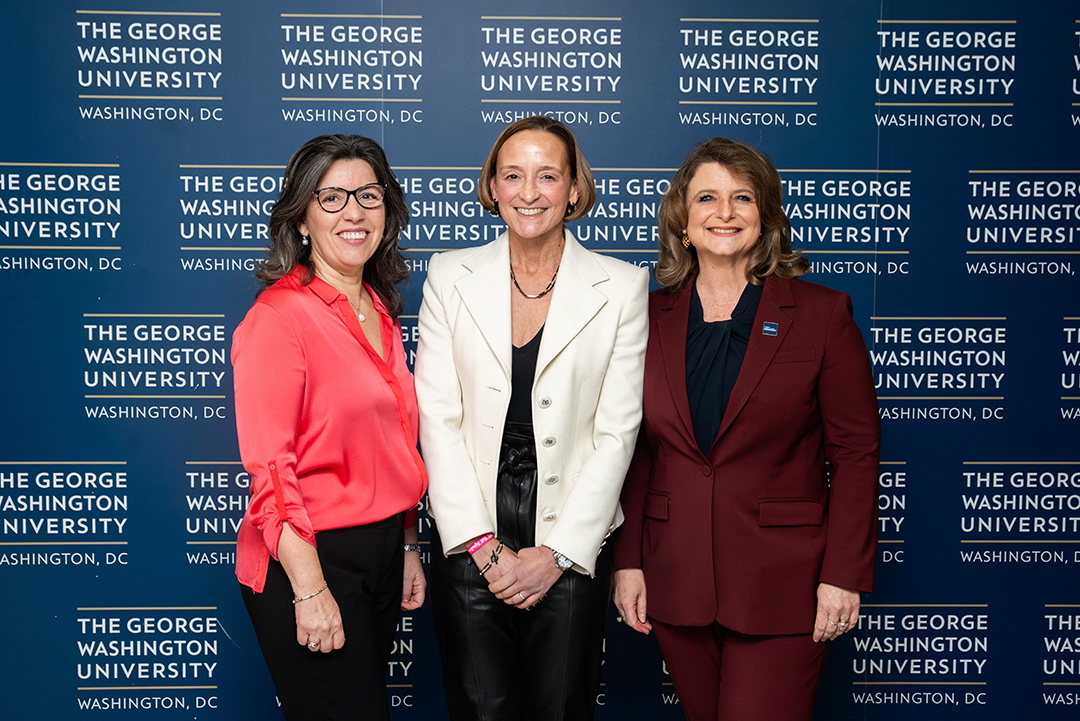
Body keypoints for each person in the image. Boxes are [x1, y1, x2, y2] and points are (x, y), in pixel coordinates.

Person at [613, 137, 880, 721]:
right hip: (676, 575)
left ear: (766, 217)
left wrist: (843, 576)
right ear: (683, 218)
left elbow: (856, 452)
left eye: (743, 198)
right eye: (707, 198)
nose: (724, 212)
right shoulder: (647, 318)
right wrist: (628, 561)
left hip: (785, 582)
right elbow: (635, 451)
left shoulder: (821, 314)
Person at [414, 115, 649, 720]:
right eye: (513, 175)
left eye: (548, 176)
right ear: (492, 185)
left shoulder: (622, 287)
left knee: (561, 708)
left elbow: (617, 431)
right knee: (480, 707)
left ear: (574, 188)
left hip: (571, 525)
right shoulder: (449, 275)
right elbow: (437, 417)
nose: (529, 192)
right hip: (470, 521)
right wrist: (481, 548)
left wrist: (560, 552)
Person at [231, 134, 428, 721]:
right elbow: (271, 470)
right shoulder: (278, 317)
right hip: (311, 558)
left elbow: (392, 444)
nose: (354, 212)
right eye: (332, 197)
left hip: (382, 550)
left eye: (368, 195)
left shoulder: (378, 307)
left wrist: (409, 543)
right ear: (302, 219)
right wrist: (311, 590)